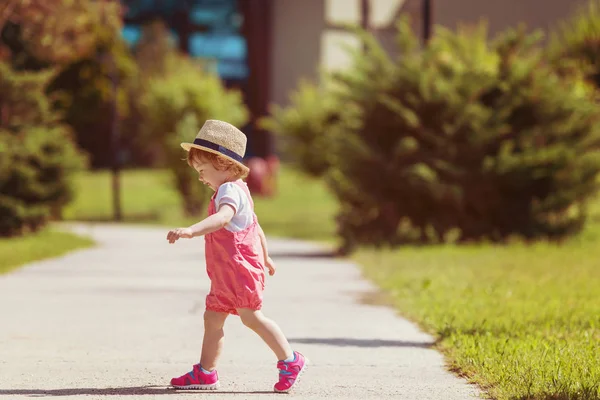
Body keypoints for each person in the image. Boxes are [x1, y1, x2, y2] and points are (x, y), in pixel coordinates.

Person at [166, 119, 307, 393]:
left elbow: (223, 218)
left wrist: (191, 230)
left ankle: (290, 360)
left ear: (224, 164)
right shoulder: (237, 189)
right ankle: (206, 373)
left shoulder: (230, 191)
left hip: (239, 272)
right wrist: (265, 256)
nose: (200, 177)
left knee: (251, 317)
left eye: (203, 169)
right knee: (213, 317)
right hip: (226, 273)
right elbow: (256, 227)